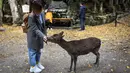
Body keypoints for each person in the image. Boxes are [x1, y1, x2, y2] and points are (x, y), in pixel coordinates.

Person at [27, 0, 47, 73]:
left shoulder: (42, 13)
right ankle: (33, 66)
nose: (38, 13)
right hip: (33, 36)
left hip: (40, 36)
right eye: (36, 11)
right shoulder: (31, 17)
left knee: (39, 50)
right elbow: (35, 29)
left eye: (39, 11)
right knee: (32, 51)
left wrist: (45, 35)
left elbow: (44, 26)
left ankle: (37, 63)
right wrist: (43, 36)